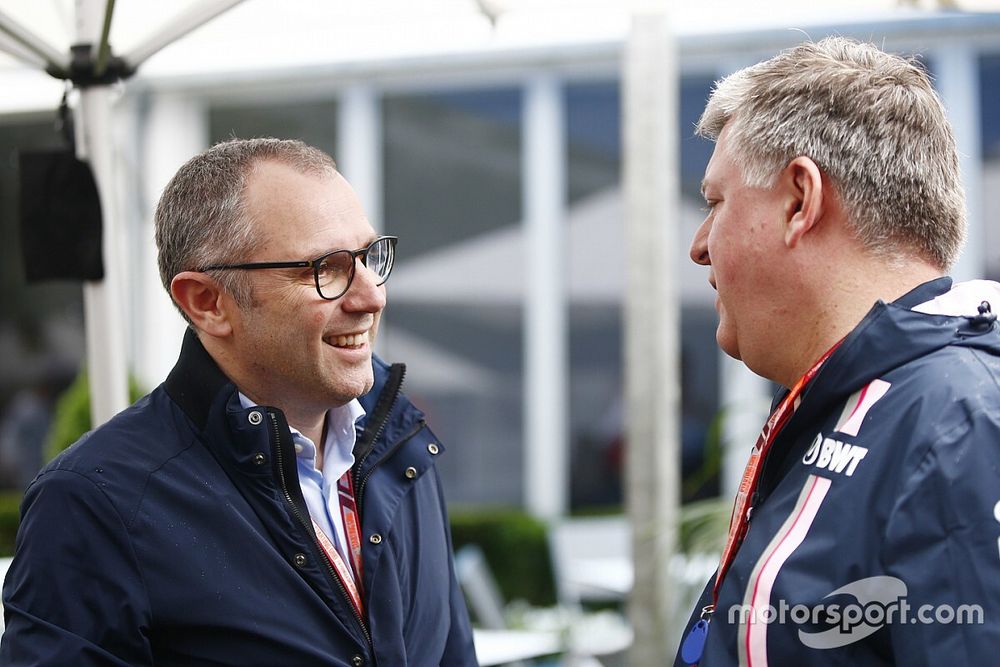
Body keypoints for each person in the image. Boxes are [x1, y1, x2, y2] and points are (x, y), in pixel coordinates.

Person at [1, 138, 478, 666]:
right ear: (207, 303)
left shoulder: (402, 447)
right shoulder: (96, 503)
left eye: (369, 257)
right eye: (327, 268)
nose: (371, 296)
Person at [675, 37, 1000, 666]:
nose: (700, 245)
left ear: (800, 201)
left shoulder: (958, 424)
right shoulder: (876, 398)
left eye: (716, 203)